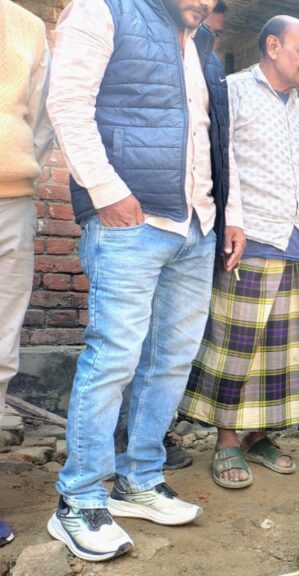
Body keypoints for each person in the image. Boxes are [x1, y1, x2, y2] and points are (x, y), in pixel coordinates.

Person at [47, 0, 242, 560]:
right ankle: (79, 498)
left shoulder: (203, 46)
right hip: (130, 221)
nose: (203, 3)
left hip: (195, 226)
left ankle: (139, 479)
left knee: (171, 361)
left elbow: (212, 137)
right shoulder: (105, 10)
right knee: (114, 357)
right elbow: (67, 102)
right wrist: (106, 190)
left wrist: (226, 215)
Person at [180, 15, 299, 490]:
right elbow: (225, 161)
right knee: (237, 347)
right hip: (251, 235)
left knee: (281, 352)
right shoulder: (234, 90)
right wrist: (232, 220)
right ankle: (226, 440)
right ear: (273, 46)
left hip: (295, 242)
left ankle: (260, 436)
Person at [0, 0, 54, 548]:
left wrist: (17, 170)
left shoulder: (27, 27)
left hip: (9, 201)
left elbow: (40, 121)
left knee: (0, 352)